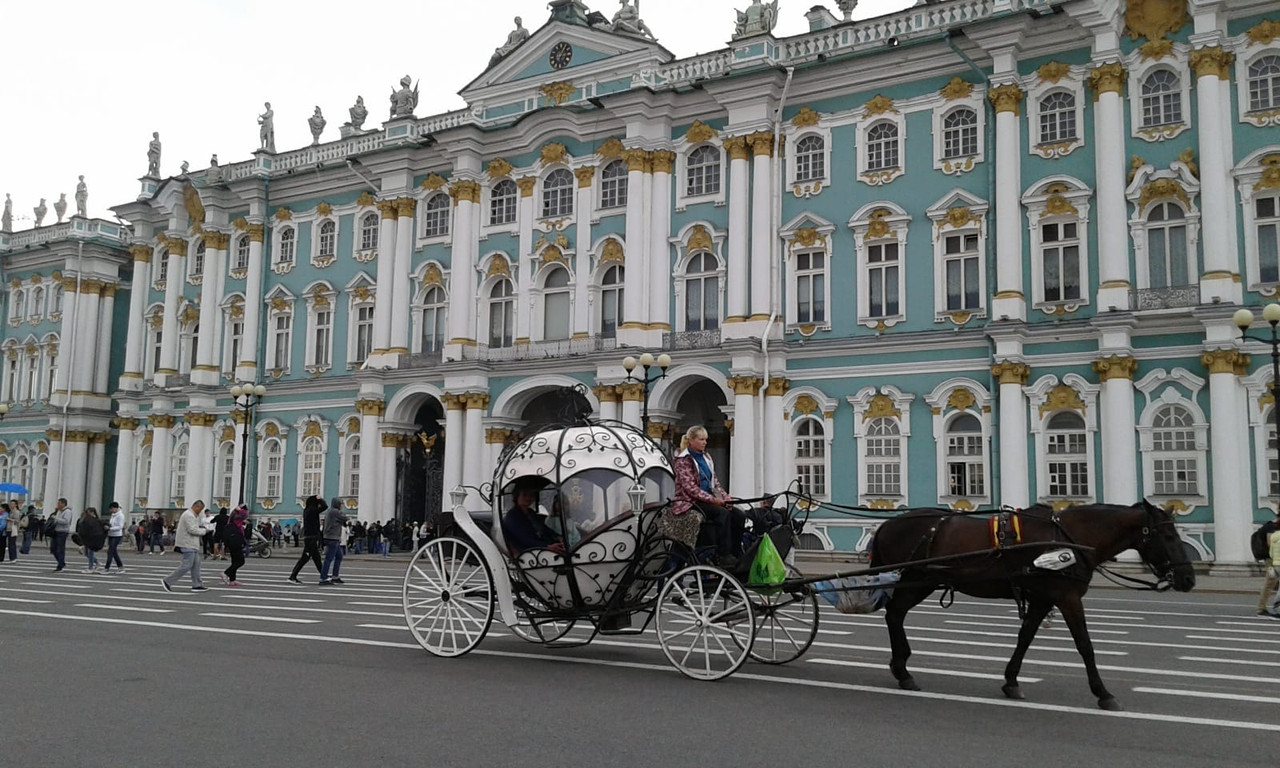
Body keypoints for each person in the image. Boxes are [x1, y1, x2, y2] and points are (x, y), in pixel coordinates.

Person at [671, 425, 744, 568]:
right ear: (691, 441)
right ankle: (723, 554)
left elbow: (715, 483)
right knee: (722, 514)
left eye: (706, 440)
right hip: (690, 502)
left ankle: (735, 552)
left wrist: (726, 498)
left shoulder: (706, 457)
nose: (704, 442)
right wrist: (714, 500)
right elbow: (690, 488)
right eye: (701, 439)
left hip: (708, 499)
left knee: (739, 515)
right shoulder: (683, 460)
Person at [161, 501, 209, 593]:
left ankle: (197, 585)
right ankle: (168, 580)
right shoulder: (189, 515)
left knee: (196, 565)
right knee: (187, 565)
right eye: (200, 509)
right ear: (196, 507)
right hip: (187, 544)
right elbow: (192, 530)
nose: (201, 511)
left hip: (192, 544)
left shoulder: (191, 515)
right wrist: (204, 531)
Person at [502, 483, 563, 555]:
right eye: (524, 495)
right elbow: (524, 539)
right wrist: (546, 547)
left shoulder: (531, 513)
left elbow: (545, 529)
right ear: (516, 496)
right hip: (528, 553)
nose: (528, 498)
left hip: (542, 548)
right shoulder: (512, 516)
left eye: (531, 495)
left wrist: (559, 538)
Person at [289, 496, 325, 585]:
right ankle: (292, 576)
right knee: (305, 558)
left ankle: (324, 576)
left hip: (310, 537)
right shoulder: (312, 510)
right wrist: (320, 499)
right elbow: (324, 506)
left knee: (316, 558)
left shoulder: (307, 510)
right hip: (311, 538)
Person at [320, 497, 349, 585]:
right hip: (333, 538)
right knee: (329, 558)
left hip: (332, 537)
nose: (342, 506)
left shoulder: (330, 511)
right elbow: (345, 518)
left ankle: (335, 576)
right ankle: (323, 578)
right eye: (341, 504)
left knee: (339, 556)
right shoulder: (335, 511)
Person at [221, 505, 249, 586]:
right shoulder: (239, 515)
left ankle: (232, 580)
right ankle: (226, 573)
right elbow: (245, 514)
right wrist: (240, 509)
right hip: (236, 540)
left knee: (235, 561)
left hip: (231, 540)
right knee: (241, 561)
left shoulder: (233, 515)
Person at [76, 508, 106, 573]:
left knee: (90, 552)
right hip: (88, 538)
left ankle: (91, 567)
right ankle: (97, 562)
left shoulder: (95, 520)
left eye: (89, 512)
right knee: (87, 553)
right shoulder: (87, 520)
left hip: (93, 538)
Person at [49, 498, 74, 572]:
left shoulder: (67, 512)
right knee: (53, 549)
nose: (58, 505)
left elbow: (66, 521)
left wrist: (56, 519)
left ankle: (60, 565)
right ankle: (61, 562)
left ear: (63, 504)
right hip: (56, 531)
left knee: (60, 549)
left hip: (63, 532)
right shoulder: (59, 511)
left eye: (59, 503)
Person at [104, 502, 126, 574]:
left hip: (117, 535)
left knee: (110, 551)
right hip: (111, 535)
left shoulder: (120, 516)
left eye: (112, 509)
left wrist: (110, 528)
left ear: (115, 508)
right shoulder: (113, 515)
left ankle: (107, 568)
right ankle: (120, 567)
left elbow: (120, 527)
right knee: (114, 552)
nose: (111, 510)